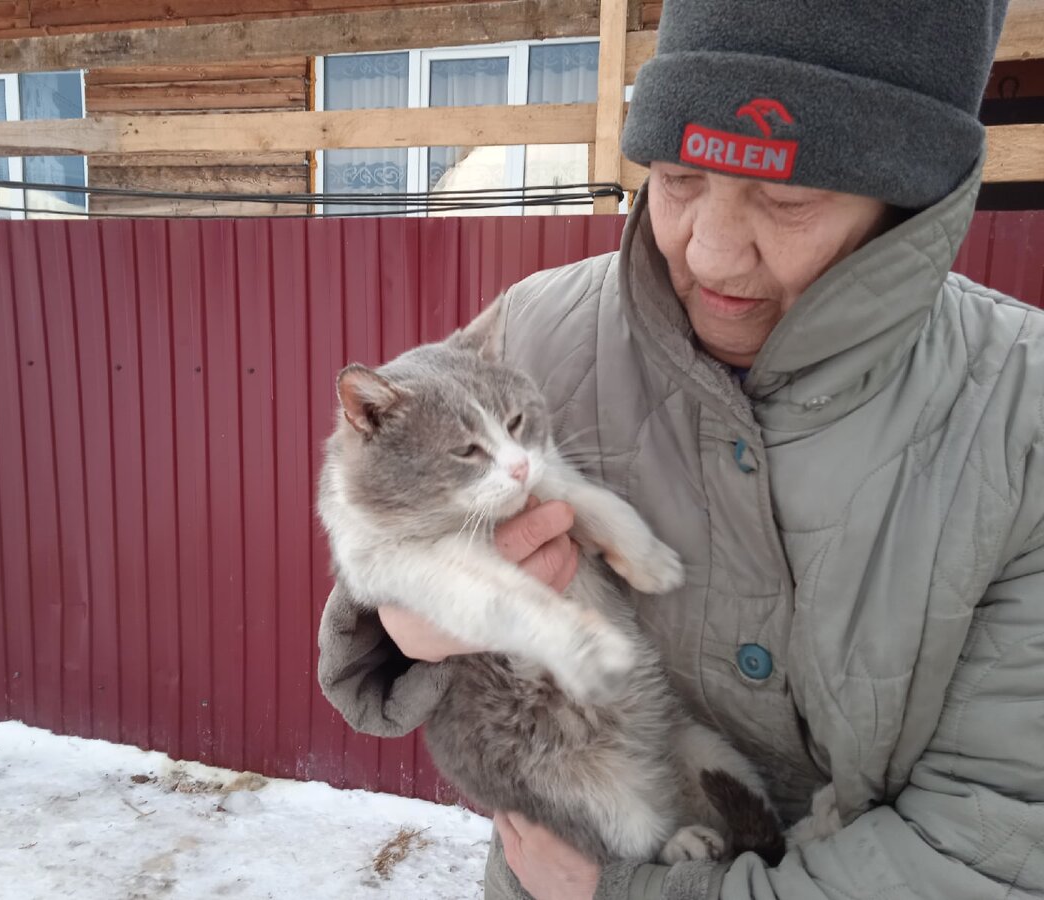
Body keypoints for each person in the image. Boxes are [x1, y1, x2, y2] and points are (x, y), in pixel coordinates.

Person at [318, 0, 1044, 897]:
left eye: (787, 196)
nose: (709, 254)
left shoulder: (1023, 418)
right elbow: (395, 503)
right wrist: (395, 625)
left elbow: (991, 845)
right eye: (676, 177)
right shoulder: (542, 331)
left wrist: (617, 892)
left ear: (912, 194)